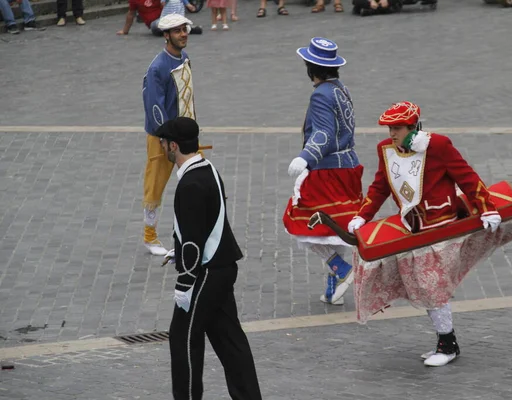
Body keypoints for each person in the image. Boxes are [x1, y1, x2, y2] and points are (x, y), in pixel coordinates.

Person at [347, 101, 502, 367]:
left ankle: (448, 344)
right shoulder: (385, 149)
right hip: (412, 229)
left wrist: (487, 208)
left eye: (397, 128)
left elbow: (467, 177)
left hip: (441, 229)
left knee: (433, 289)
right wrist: (363, 215)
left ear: (413, 126)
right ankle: (446, 342)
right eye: (389, 128)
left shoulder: (438, 146)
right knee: (426, 288)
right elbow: (380, 186)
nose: (391, 133)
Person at [156, 117, 263, 400]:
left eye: (164, 143)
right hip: (222, 267)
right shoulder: (209, 170)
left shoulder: (189, 184)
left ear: (174, 145)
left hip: (205, 274)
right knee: (230, 341)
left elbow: (192, 245)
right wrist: (176, 250)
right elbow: (205, 223)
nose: (163, 147)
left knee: (183, 338)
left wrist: (184, 284)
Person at [283, 37, 363, 306]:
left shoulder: (320, 94)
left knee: (302, 222)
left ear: (311, 68)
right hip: (348, 165)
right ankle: (333, 289)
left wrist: (306, 157)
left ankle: (341, 270)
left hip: (328, 170)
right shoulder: (341, 88)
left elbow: (324, 133)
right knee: (336, 227)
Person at [141, 14, 201, 256]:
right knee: (155, 186)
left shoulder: (184, 57)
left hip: (183, 134)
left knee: (193, 182)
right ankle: (149, 236)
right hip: (164, 139)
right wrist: (167, 139)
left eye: (184, 29)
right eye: (177, 31)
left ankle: (189, 233)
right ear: (166, 35)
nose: (183, 34)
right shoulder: (157, 68)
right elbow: (154, 107)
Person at [117, 0, 202, 36]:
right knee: (157, 24)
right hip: (156, 24)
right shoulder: (134, 0)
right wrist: (125, 31)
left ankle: (180, 29)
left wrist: (187, 4)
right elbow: (131, 14)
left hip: (168, 17)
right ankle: (183, 28)